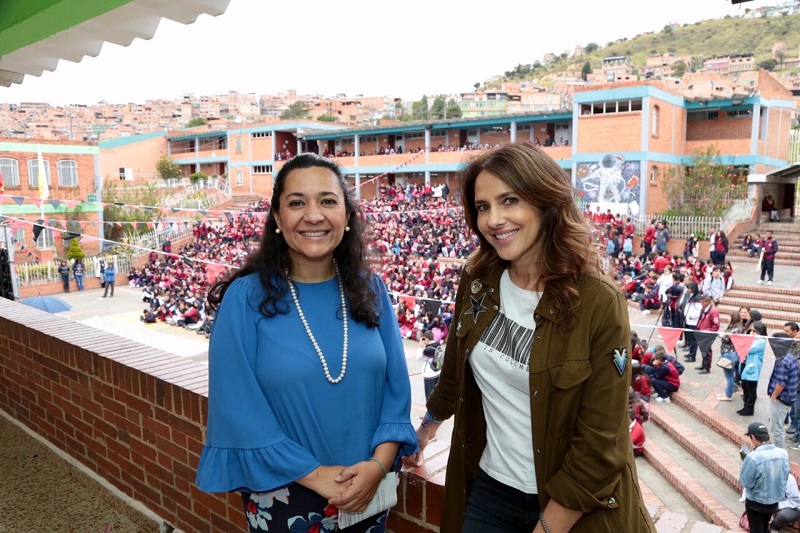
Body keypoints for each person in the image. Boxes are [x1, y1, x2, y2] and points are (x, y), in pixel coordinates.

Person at [407, 143, 654, 532]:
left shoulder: (598, 301)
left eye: (509, 200)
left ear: (546, 203)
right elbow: (454, 373)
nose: (494, 219)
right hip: (490, 492)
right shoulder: (477, 280)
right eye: (483, 206)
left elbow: (601, 444)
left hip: (573, 507)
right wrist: (423, 433)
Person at [195, 153, 417, 532]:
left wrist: (378, 465)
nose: (314, 216)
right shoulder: (245, 299)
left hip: (368, 490)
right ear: (277, 218)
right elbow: (237, 408)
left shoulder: (372, 289)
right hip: (283, 493)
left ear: (347, 215)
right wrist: (315, 476)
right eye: (297, 203)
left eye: (327, 201)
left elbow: (396, 393)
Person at [739, 422, 789, 533]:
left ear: (753, 437)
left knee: (756, 530)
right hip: (774, 501)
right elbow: (785, 475)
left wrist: (745, 462)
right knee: (766, 527)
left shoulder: (752, 457)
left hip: (756, 502)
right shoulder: (783, 453)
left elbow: (746, 482)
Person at [766, 330, 799, 449]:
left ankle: (778, 451)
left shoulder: (783, 360)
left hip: (781, 398)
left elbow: (781, 382)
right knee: (778, 425)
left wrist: (774, 396)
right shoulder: (790, 357)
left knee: (777, 428)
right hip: (789, 397)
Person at [739, 321, 768, 417]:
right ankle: (745, 406)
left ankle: (749, 408)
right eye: (751, 330)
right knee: (745, 387)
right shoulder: (753, 339)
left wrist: (747, 340)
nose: (751, 332)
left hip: (753, 367)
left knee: (751, 388)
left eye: (754, 330)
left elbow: (749, 349)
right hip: (747, 365)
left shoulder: (761, 341)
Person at [716, 311, 742, 402]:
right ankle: (727, 392)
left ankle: (728, 395)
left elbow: (726, 338)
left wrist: (722, 335)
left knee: (729, 376)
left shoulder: (737, 329)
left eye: (729, 317)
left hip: (730, 353)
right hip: (727, 352)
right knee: (728, 375)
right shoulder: (732, 327)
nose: (728, 318)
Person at [695, 294, 720, 374]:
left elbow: (716, 325)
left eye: (702, 302)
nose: (701, 304)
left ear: (707, 302)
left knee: (707, 351)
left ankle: (707, 368)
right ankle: (703, 365)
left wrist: (709, 333)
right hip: (701, 332)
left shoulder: (713, 311)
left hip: (707, 334)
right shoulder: (704, 309)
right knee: (703, 350)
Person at [419, 330, 442, 400]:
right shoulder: (438, 345)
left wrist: (420, 347)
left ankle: (430, 407)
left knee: (429, 396)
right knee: (436, 394)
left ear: (426, 339)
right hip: (437, 372)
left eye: (423, 339)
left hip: (429, 375)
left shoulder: (428, 350)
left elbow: (419, 357)